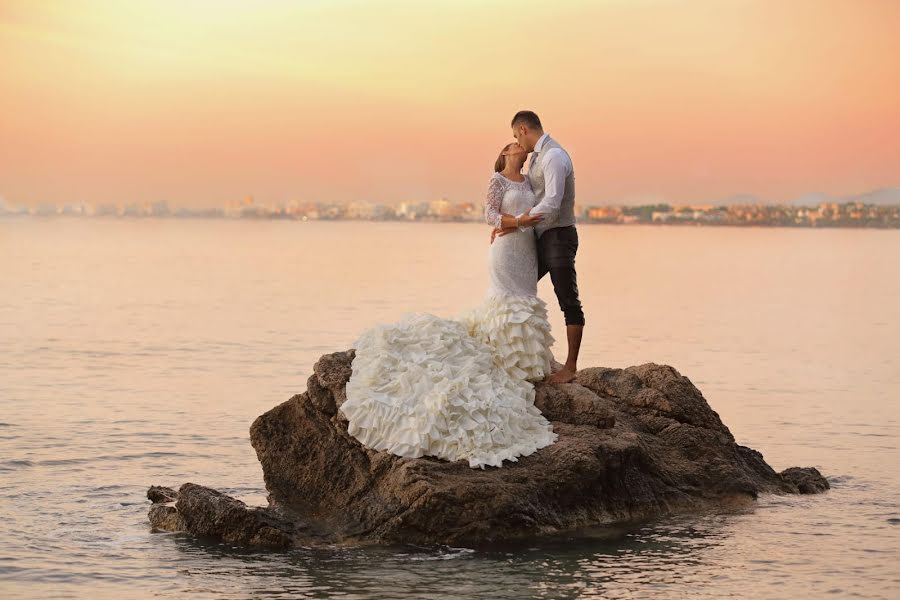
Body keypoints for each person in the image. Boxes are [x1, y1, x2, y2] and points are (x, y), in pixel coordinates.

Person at [339, 141, 558, 469]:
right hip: (506, 247)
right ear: (505, 153)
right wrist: (517, 222)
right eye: (513, 143)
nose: (518, 145)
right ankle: (506, 354)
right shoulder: (496, 180)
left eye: (519, 143)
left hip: (526, 249)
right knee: (505, 300)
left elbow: (540, 213)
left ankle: (524, 361)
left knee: (526, 298)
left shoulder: (529, 182)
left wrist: (533, 228)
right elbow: (490, 215)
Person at [495, 110, 584, 384]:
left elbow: (553, 202)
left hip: (559, 236)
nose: (516, 142)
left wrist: (517, 223)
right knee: (517, 291)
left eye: (514, 136)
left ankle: (570, 366)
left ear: (522, 129)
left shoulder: (554, 157)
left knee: (567, 298)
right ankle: (518, 356)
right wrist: (507, 225)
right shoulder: (536, 158)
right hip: (540, 236)